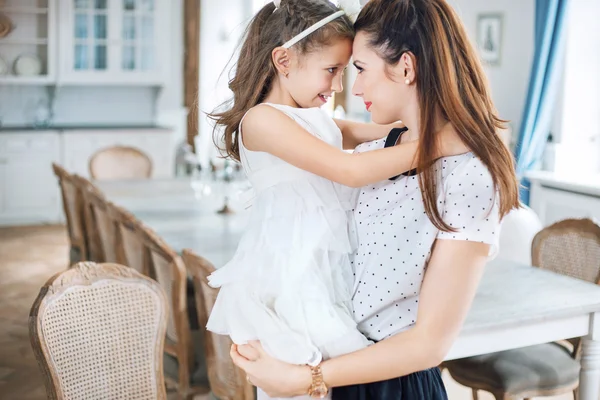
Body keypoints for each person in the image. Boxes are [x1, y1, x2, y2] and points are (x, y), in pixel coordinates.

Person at [230, 0, 520, 399]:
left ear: (405, 68)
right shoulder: (375, 153)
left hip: (384, 383)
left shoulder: (466, 175)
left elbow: (429, 344)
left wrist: (306, 378)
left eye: (359, 70)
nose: (351, 88)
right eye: (337, 70)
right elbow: (349, 164)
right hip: (333, 363)